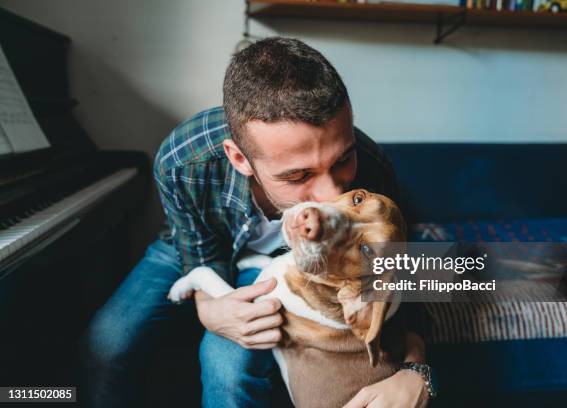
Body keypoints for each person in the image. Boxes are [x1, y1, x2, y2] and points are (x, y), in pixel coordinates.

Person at [83, 37, 429, 408]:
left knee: (227, 365)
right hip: (196, 244)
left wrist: (418, 370)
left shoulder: (373, 168)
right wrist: (206, 306)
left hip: (289, 265)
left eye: (342, 160)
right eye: (298, 176)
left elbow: (407, 278)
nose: (331, 197)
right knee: (107, 340)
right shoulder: (182, 159)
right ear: (239, 158)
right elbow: (198, 249)